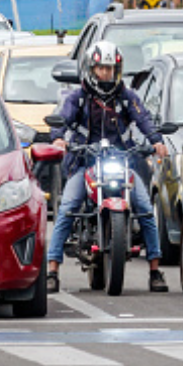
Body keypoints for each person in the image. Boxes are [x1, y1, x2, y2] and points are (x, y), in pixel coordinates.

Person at [46, 41, 170, 294]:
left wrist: (156, 140)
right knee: (68, 208)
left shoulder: (127, 97)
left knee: (146, 210)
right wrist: (58, 137)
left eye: (110, 69)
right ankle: (52, 270)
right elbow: (62, 119)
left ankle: (155, 270)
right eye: (101, 68)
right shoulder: (78, 98)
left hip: (121, 163)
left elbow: (143, 119)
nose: (105, 74)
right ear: (91, 69)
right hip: (85, 163)